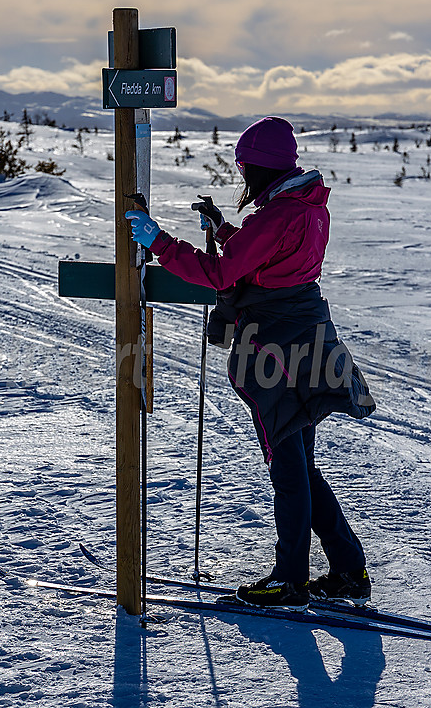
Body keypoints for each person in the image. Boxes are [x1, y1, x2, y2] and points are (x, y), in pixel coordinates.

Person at [126, 116, 376, 612]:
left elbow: (218, 273)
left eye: (244, 168)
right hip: (309, 338)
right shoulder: (308, 207)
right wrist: (224, 229)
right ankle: (349, 569)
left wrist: (158, 242)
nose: (243, 178)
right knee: (302, 464)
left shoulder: (279, 215)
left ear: (260, 167)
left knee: (289, 466)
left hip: (277, 350)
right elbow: (269, 256)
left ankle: (289, 580)